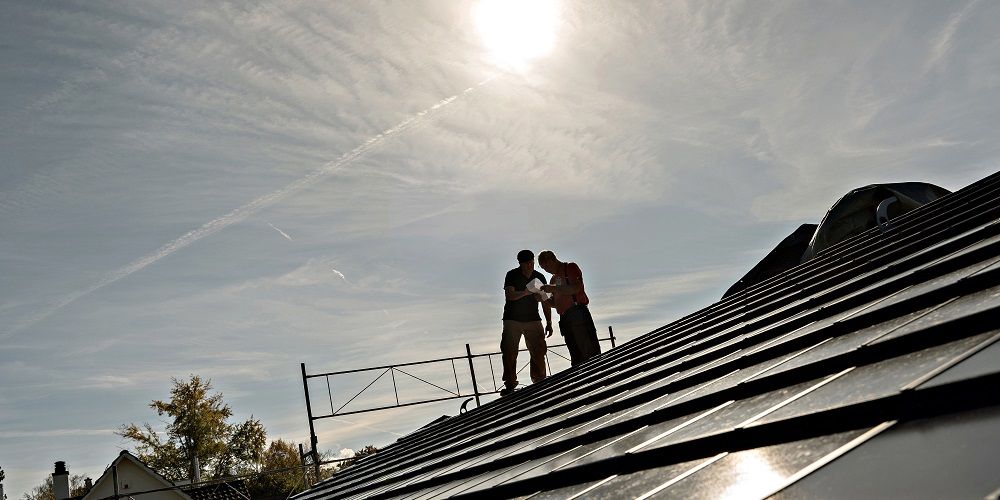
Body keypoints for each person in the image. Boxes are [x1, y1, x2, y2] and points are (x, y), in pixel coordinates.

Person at [500, 249, 553, 396]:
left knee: (539, 350)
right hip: (512, 319)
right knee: (509, 351)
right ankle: (510, 383)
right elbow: (509, 295)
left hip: (533, 318)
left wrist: (549, 322)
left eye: (531, 263)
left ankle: (539, 379)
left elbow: (545, 301)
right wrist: (526, 292)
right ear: (521, 264)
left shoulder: (539, 276)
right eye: (527, 263)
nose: (530, 266)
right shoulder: (512, 275)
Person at [539, 250, 601, 366]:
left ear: (552, 260)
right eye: (543, 268)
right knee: (576, 356)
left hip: (577, 314)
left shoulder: (570, 267)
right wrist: (543, 297)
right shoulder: (554, 279)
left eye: (546, 266)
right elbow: (555, 303)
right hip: (565, 318)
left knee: (589, 352)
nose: (546, 270)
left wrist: (553, 289)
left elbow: (575, 288)